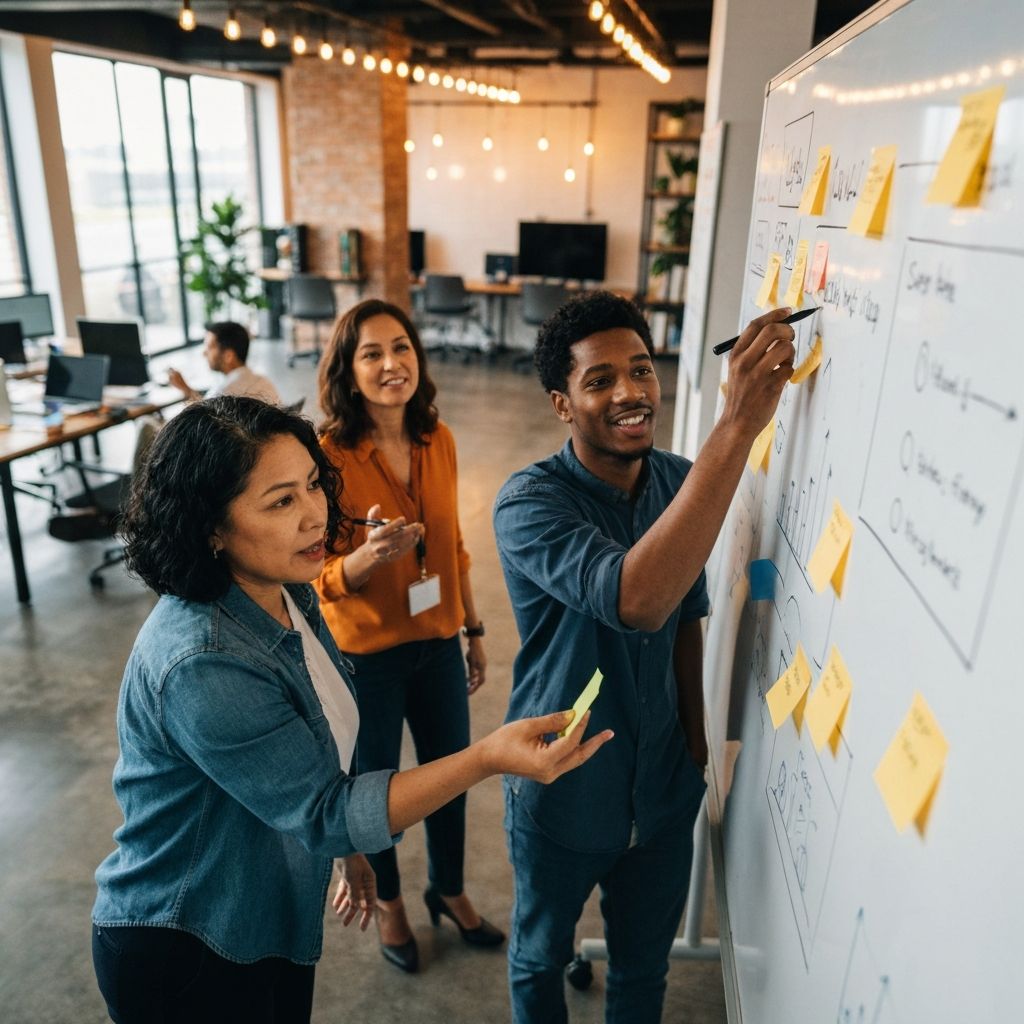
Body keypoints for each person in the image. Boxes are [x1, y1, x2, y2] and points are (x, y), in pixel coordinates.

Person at [91, 396, 612, 1024]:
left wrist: (346, 850)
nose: (316, 515)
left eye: (312, 484)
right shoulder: (203, 659)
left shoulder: (287, 593)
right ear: (211, 527)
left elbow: (308, 762)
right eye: (281, 501)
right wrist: (485, 759)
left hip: (264, 920)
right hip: (191, 941)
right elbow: (325, 810)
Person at [492, 292, 796, 1024]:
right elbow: (639, 601)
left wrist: (692, 750)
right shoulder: (528, 504)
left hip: (661, 790)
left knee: (641, 972)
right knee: (538, 958)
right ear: (562, 404)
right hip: (562, 786)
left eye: (641, 370)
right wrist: (739, 422)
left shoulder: (677, 479)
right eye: (600, 381)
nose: (630, 392)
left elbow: (687, 617)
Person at [315, 298, 497, 973]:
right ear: (348, 369)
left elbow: (453, 548)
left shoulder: (437, 438)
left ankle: (447, 889)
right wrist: (368, 559)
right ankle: (390, 900)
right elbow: (317, 574)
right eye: (372, 353)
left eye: (402, 348)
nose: (392, 364)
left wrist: (473, 629)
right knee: (378, 795)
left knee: (452, 774)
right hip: (367, 656)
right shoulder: (329, 455)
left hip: (439, 642)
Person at [168, 321, 279, 404]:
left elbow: (203, 416)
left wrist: (185, 390)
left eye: (209, 347)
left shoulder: (224, 394)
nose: (204, 353)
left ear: (228, 356)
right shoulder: (263, 380)